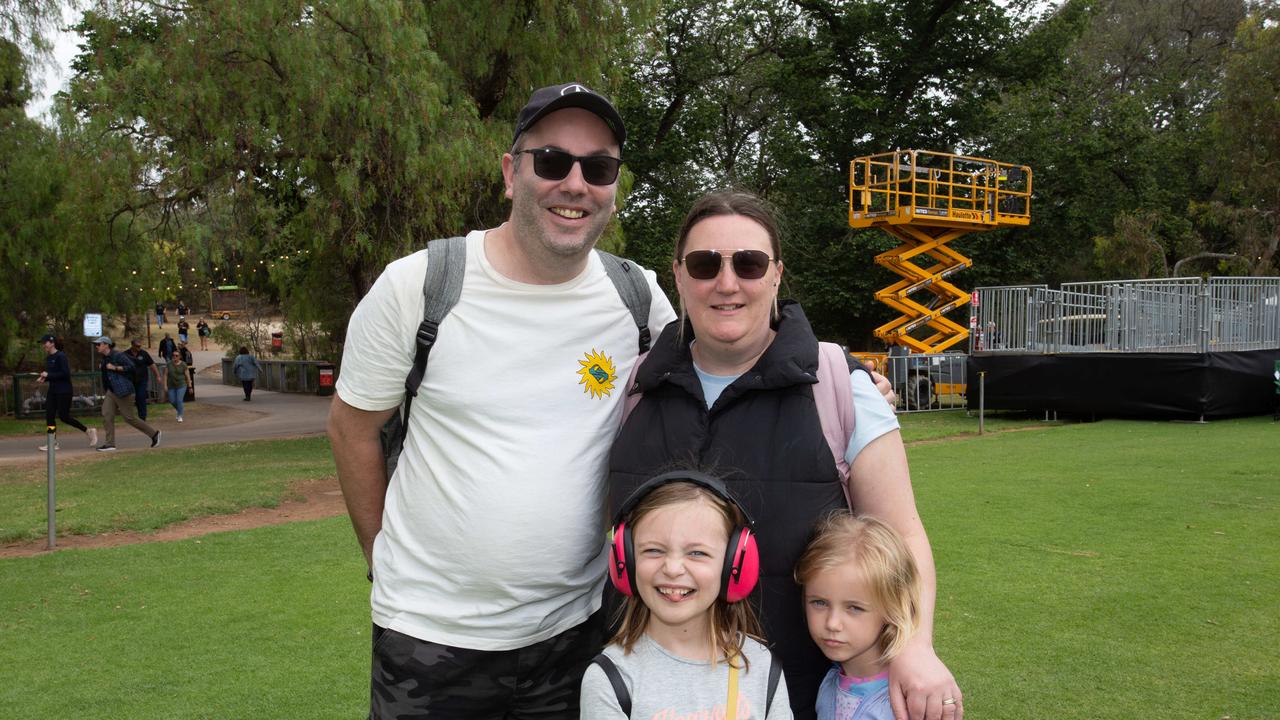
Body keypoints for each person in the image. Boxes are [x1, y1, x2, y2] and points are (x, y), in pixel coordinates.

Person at [327, 83, 893, 719]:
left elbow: (728, 329)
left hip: (577, 632)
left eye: (597, 167)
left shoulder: (636, 298)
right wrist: (382, 556)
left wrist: (842, 371)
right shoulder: (421, 285)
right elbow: (352, 429)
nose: (575, 183)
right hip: (431, 634)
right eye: (551, 161)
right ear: (511, 173)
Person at [608, 190, 961, 720]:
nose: (727, 283)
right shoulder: (633, 383)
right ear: (679, 276)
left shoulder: (841, 386)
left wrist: (915, 644)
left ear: (775, 275)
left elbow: (902, 533)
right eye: (705, 264)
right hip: (647, 695)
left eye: (748, 263)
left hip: (797, 695)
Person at [580, 471, 793, 719]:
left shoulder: (759, 667)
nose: (672, 568)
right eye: (653, 550)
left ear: (733, 566)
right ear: (625, 563)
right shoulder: (612, 678)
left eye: (697, 553)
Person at [796, 513, 924, 720]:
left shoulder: (909, 699)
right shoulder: (830, 683)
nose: (832, 623)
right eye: (819, 603)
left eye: (854, 608)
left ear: (893, 608)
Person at [93, 336, 161, 452]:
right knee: (106, 414)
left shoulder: (118, 355)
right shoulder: (104, 359)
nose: (96, 347)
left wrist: (115, 368)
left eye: (99, 344)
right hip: (111, 391)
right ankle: (110, 444)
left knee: (129, 418)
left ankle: (154, 434)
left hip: (123, 391)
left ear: (106, 345)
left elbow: (131, 367)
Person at [34, 334, 98, 451]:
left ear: (52, 343)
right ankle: (52, 442)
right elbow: (53, 374)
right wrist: (44, 378)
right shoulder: (49, 358)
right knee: (49, 415)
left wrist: (48, 375)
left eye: (45, 343)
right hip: (52, 391)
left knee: (64, 417)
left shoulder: (61, 356)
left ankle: (88, 431)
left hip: (64, 391)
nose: (43, 345)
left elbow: (65, 374)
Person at [125, 339, 164, 421]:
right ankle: (129, 416)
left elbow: (152, 365)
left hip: (142, 380)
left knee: (141, 396)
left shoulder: (144, 353)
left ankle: (142, 416)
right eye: (137, 346)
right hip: (129, 380)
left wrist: (158, 376)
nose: (139, 348)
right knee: (129, 398)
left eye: (140, 346)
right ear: (132, 345)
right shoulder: (125, 354)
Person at [166, 349, 188, 422]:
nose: (174, 357)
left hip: (181, 384)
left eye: (176, 355)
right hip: (171, 385)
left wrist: (190, 386)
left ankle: (180, 415)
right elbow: (165, 375)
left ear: (180, 357)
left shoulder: (183, 364)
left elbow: (187, 376)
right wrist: (165, 385)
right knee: (172, 401)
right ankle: (180, 410)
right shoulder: (169, 364)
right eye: (173, 355)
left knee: (179, 400)